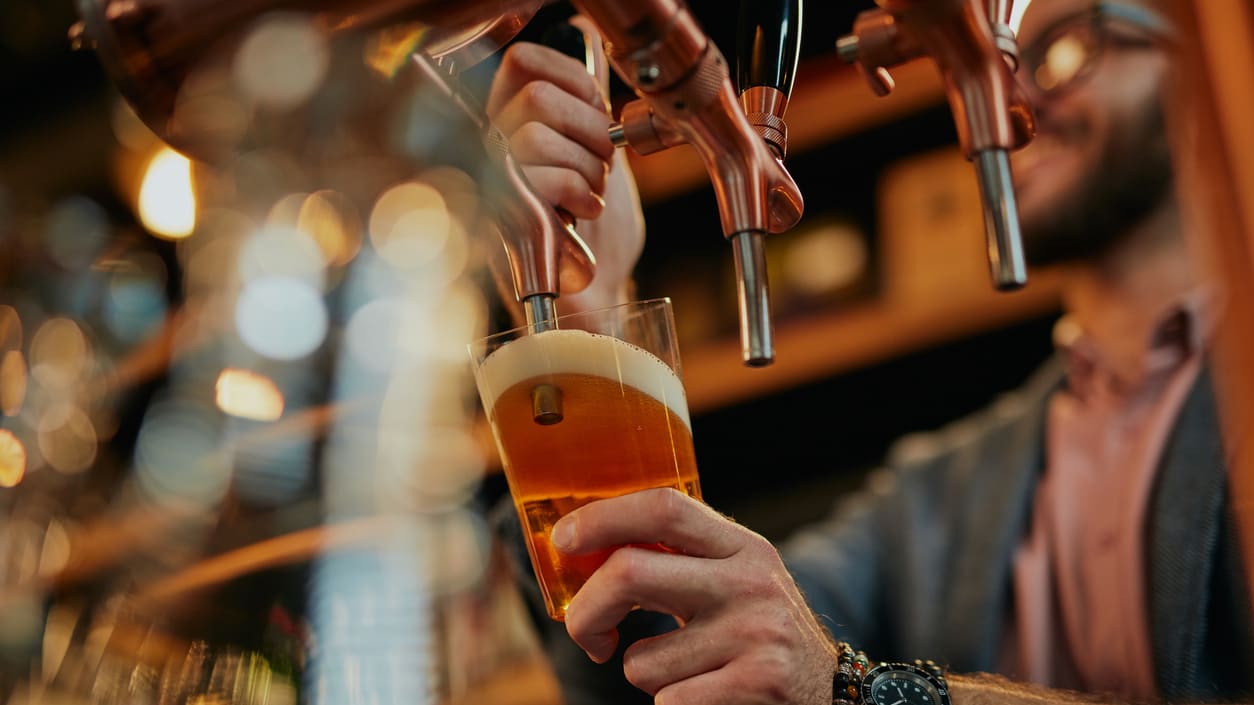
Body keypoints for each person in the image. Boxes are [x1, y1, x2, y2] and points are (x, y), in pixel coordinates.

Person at [485, 1, 1253, 703]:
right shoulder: (942, 491)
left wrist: (854, 688)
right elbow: (677, 662)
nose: (1017, 97)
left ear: (1207, 58)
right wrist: (590, 323)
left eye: (1067, 50)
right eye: (997, 59)